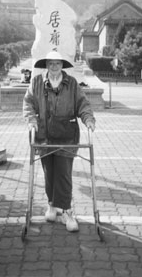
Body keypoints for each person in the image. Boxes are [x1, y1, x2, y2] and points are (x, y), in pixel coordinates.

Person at [23, 51, 96, 232]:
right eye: (50, 64)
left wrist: (88, 119)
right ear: (46, 65)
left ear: (62, 65)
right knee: (49, 172)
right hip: (44, 135)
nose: (54, 67)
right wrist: (31, 121)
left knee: (63, 173)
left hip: (66, 135)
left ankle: (67, 211)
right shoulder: (37, 82)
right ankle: (52, 205)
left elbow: (83, 103)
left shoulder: (71, 83)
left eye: (57, 64)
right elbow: (28, 103)